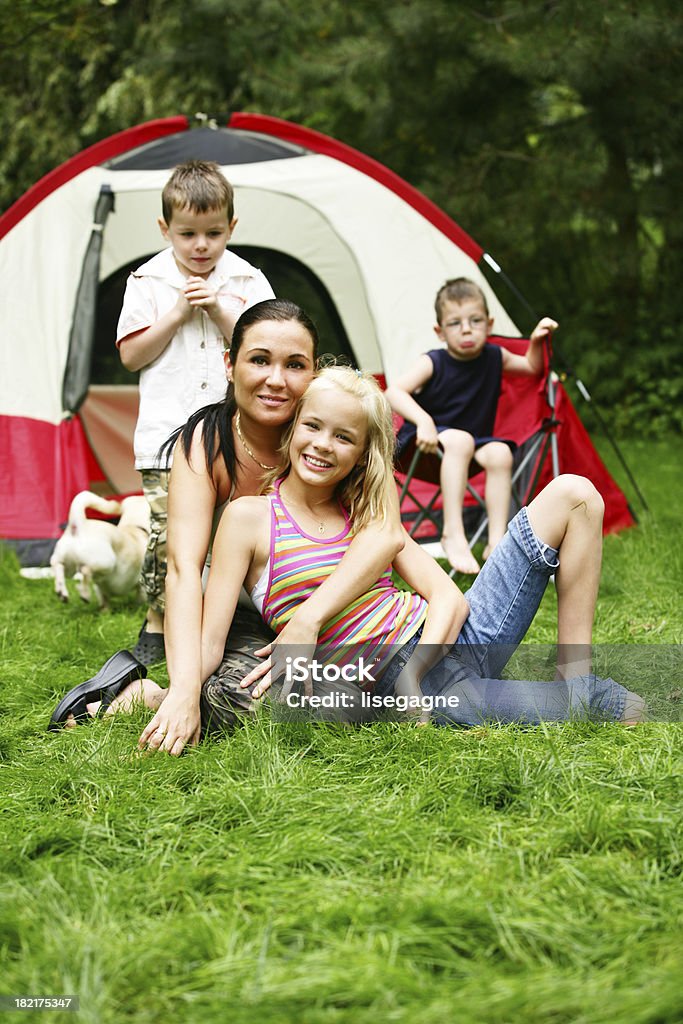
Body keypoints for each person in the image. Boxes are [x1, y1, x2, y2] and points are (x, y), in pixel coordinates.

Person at [199, 366, 645, 728]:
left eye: (343, 437)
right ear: (293, 427)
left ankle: (575, 678)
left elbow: (449, 597)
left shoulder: (367, 514)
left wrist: (417, 670)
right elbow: (210, 641)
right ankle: (582, 699)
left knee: (575, 493)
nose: (322, 445)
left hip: (450, 641)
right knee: (613, 707)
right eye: (312, 426)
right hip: (394, 673)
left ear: (361, 453)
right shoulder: (249, 518)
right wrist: (177, 697)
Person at [49, 301, 405, 751]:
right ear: (229, 365)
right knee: (260, 702)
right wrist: (182, 691)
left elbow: (387, 532)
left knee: (337, 704)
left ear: (314, 374)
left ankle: (173, 693)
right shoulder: (205, 445)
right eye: (259, 360)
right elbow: (183, 569)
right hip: (233, 611)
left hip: (319, 608)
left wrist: (311, 620)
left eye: (294, 365)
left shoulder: (336, 435)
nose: (276, 380)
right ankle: (146, 694)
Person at [117, 159, 275, 663]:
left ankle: (223, 620)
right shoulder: (147, 280)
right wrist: (179, 313)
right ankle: (158, 622)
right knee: (168, 533)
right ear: (166, 230)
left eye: (212, 233)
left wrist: (220, 309)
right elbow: (131, 354)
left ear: (231, 226)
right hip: (167, 436)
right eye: (187, 234)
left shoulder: (248, 279)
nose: (200, 246)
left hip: (234, 436)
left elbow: (266, 345)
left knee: (228, 529)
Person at [385, 277, 558, 575]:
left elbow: (531, 368)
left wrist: (536, 342)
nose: (466, 329)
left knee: (501, 452)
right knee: (461, 440)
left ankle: (497, 542)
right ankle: (453, 533)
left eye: (475, 320)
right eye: (455, 323)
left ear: (489, 325)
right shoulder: (433, 362)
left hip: (470, 447)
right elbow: (393, 392)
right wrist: (424, 421)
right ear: (439, 331)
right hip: (423, 447)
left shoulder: (494, 356)